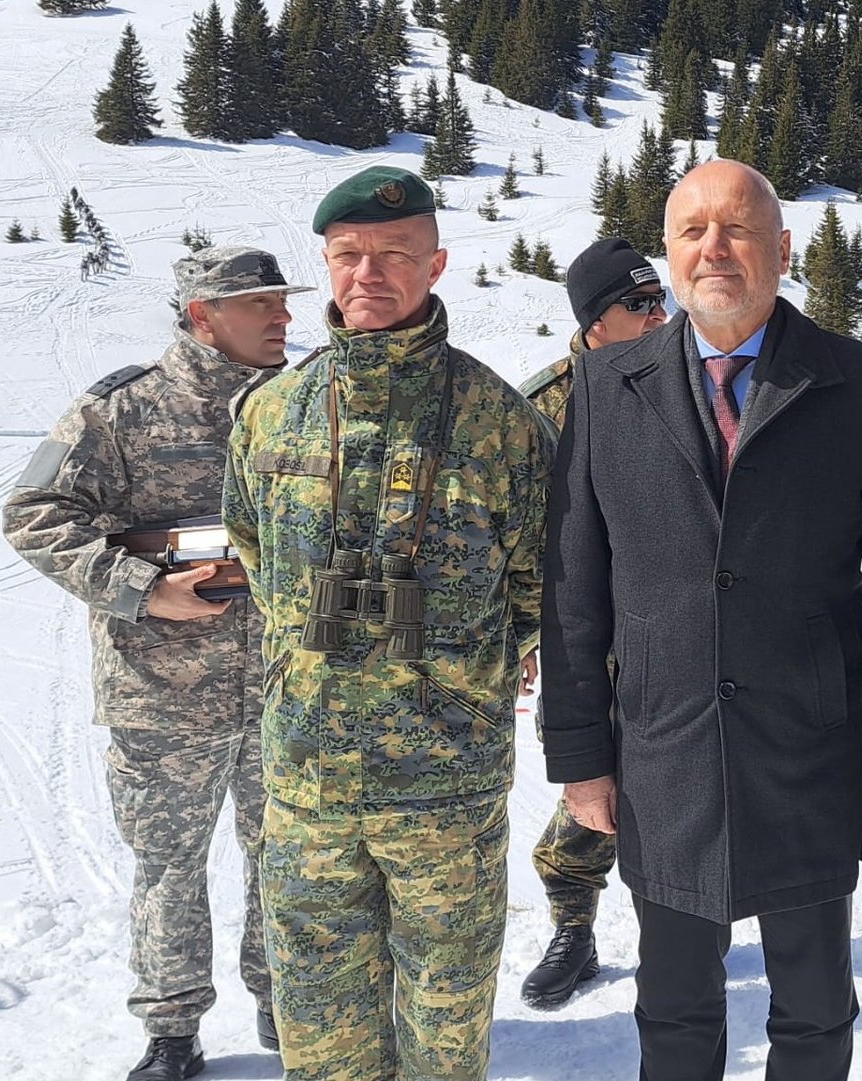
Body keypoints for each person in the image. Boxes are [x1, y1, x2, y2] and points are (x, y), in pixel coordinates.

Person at [540, 158, 862, 1081]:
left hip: (810, 751)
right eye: (693, 231)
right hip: (663, 752)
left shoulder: (859, 383)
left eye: (739, 228)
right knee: (673, 1011)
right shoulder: (604, 387)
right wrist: (581, 757)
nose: (715, 248)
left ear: (782, 250)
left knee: (816, 1008)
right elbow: (573, 585)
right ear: (670, 255)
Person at [222, 165, 549, 1081]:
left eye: (395, 255)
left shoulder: (501, 423)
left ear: (436, 263)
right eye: (349, 255)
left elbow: (536, 583)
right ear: (325, 265)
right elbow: (252, 547)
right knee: (322, 1045)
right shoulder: (271, 414)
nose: (370, 273)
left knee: (445, 1046)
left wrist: (463, 668)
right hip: (307, 789)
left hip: (446, 793)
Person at [3, 246, 313, 1081]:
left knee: (287, 858)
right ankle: (172, 1031)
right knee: (169, 866)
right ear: (202, 316)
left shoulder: (305, 398)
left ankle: (289, 1011)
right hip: (161, 697)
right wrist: (143, 587)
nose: (282, 315)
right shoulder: (122, 411)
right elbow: (34, 516)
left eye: (283, 300)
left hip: (289, 686)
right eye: (260, 304)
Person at [517, 236, 669, 1010]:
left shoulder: (688, 378)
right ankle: (573, 929)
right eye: (636, 305)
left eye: (659, 301)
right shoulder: (541, 407)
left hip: (668, 620)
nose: (655, 316)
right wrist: (522, 636)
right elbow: (511, 537)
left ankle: (676, 933)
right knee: (592, 785)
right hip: (585, 632)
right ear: (591, 319)